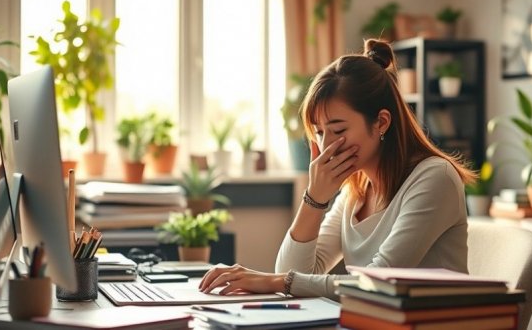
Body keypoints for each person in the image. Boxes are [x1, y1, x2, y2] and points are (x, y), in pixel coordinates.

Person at [199, 38, 476, 300]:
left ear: (381, 122)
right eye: (319, 132)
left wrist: (276, 282)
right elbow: (296, 271)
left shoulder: (434, 178)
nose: (327, 144)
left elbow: (379, 283)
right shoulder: (355, 190)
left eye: (339, 129)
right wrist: (314, 198)